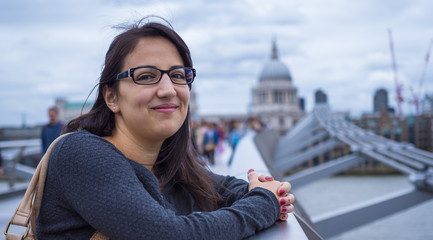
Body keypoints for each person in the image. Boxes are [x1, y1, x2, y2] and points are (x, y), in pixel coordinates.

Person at [37, 17, 295, 239]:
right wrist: (265, 202)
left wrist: (263, 189)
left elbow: (225, 189)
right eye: (146, 76)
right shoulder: (81, 154)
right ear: (111, 97)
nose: (168, 89)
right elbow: (169, 235)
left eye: (178, 75)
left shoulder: (168, 166)